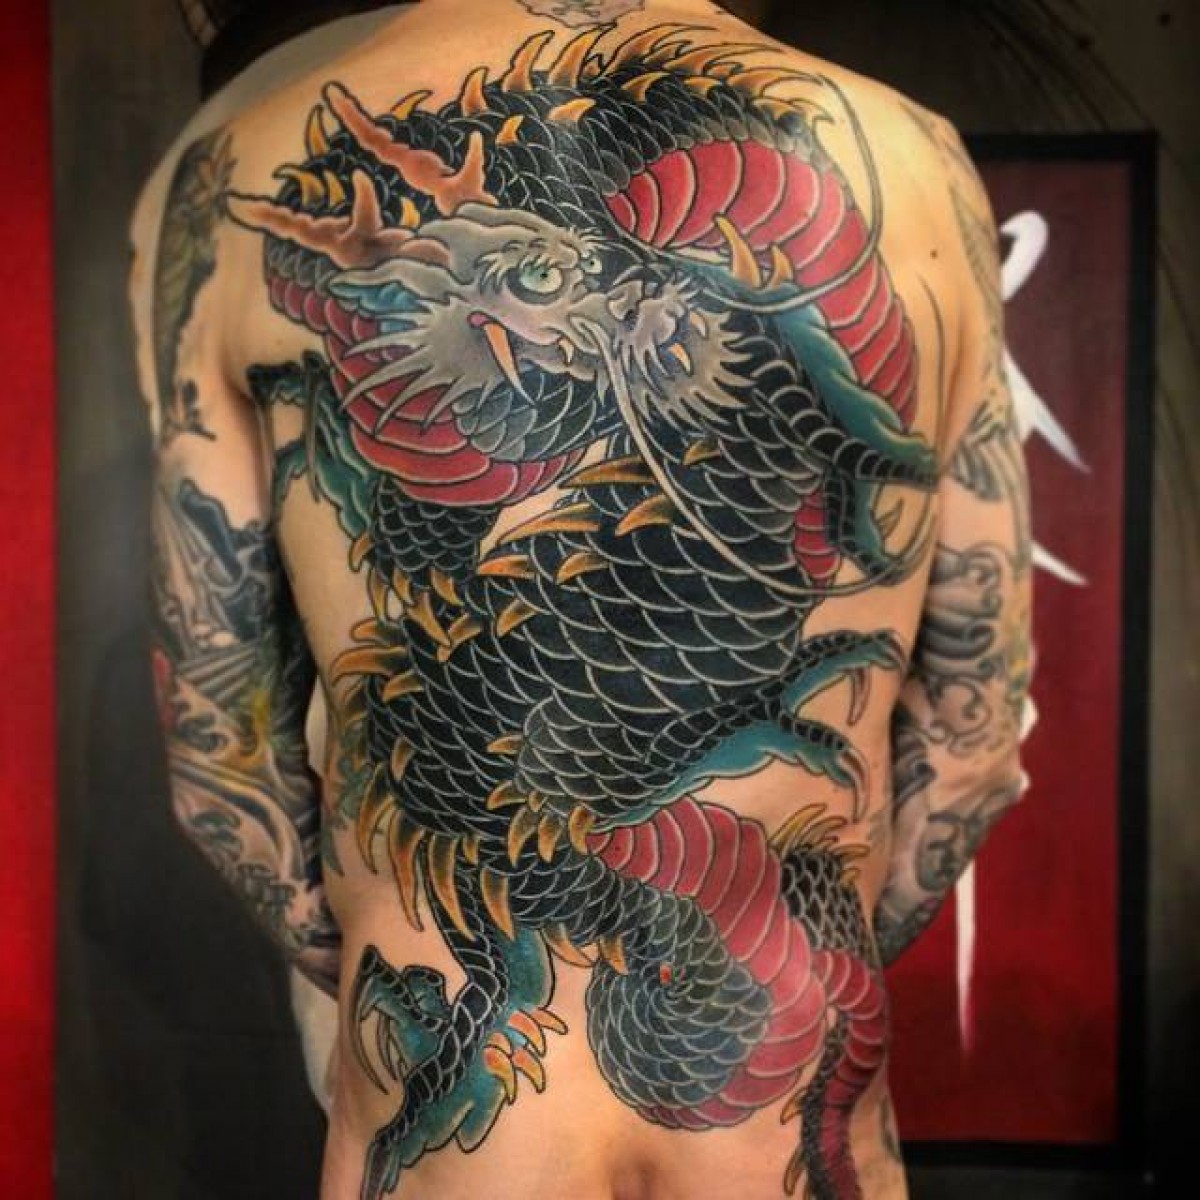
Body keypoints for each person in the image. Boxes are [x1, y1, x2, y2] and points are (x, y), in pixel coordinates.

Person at [129, 1, 1032, 1196]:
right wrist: (806, 936)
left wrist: (392, 934)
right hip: (781, 1132)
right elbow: (971, 747)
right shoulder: (913, 161)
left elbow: (223, 767)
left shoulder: (238, 170)